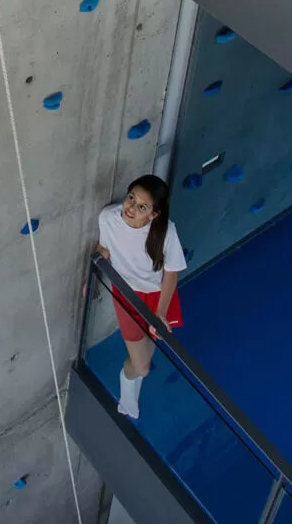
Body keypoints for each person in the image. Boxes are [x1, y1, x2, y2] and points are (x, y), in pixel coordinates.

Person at [96, 175, 186, 420]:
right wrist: (90, 281)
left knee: (148, 351)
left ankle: (129, 400)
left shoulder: (166, 231)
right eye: (131, 198)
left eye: (142, 207)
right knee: (143, 367)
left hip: (159, 298)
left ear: (153, 215)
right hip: (127, 295)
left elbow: (171, 273)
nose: (131, 208)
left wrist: (161, 312)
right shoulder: (108, 218)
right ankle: (127, 396)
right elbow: (103, 250)